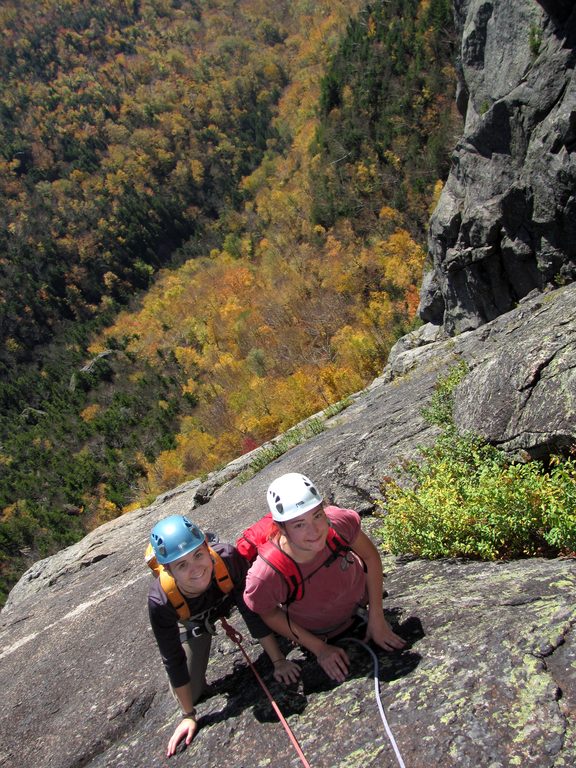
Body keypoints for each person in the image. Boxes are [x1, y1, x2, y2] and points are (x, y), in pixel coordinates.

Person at [147, 514, 300, 757]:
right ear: (168, 570)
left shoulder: (227, 559)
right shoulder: (162, 601)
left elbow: (252, 611)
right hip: (194, 619)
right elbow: (171, 657)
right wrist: (188, 715)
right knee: (192, 693)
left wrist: (278, 661)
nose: (195, 569)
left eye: (198, 555)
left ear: (207, 548)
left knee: (284, 624)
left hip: (225, 595)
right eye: (182, 565)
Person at [244, 472, 406, 683]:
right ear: (281, 528)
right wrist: (319, 648)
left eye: (317, 515)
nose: (314, 531)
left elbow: (370, 557)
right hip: (319, 631)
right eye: (299, 524)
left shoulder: (339, 522)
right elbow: (267, 612)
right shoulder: (266, 573)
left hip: (360, 604)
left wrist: (377, 617)